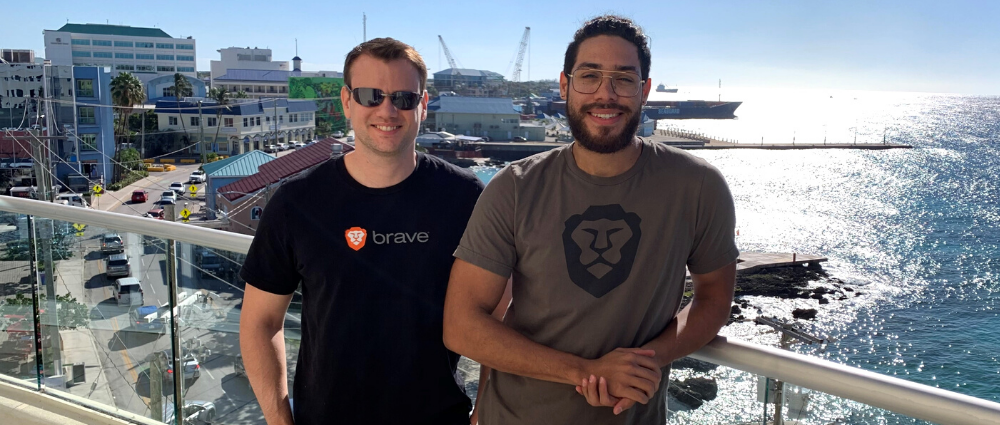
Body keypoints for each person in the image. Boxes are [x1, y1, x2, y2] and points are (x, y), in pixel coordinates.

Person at [442, 15, 738, 425]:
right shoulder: (515, 187)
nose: (605, 93)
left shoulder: (698, 185)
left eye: (624, 79)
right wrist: (587, 372)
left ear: (644, 90)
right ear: (565, 85)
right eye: (590, 76)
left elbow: (714, 298)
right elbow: (461, 325)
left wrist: (643, 362)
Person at [239, 37, 484, 425]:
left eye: (404, 98)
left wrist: (483, 413)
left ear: (423, 105)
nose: (387, 110)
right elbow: (260, 323)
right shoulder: (296, 203)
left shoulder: (465, 196)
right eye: (371, 96)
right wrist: (279, 419)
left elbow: (499, 316)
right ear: (347, 102)